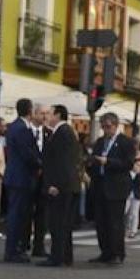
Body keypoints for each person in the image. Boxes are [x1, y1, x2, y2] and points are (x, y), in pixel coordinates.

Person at [87, 113, 136, 265]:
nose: (105, 130)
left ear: (115, 125)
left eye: (108, 127)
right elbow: (94, 158)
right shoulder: (100, 142)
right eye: (103, 127)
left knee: (115, 221)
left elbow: (128, 163)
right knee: (101, 221)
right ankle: (105, 251)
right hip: (100, 184)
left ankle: (117, 253)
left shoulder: (125, 142)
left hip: (116, 186)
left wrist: (108, 162)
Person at [38, 105, 81, 267]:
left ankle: (58, 257)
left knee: (58, 223)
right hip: (67, 185)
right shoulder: (62, 132)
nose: (47, 116)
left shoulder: (63, 132)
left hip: (62, 186)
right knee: (62, 223)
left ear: (58, 115)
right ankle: (64, 256)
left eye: (50, 113)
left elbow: (64, 162)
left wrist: (56, 185)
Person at [3, 98, 42, 263]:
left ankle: (15, 248)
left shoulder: (15, 127)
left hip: (16, 176)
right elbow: (27, 154)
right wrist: (41, 164)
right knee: (17, 215)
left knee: (18, 214)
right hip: (21, 177)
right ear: (29, 110)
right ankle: (13, 251)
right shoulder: (21, 129)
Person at [25, 104, 51, 259]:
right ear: (34, 114)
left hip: (44, 180)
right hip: (28, 177)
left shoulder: (49, 134)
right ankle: (24, 242)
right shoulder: (25, 132)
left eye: (47, 113)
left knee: (42, 214)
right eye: (42, 113)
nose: (45, 116)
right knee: (26, 212)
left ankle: (39, 246)